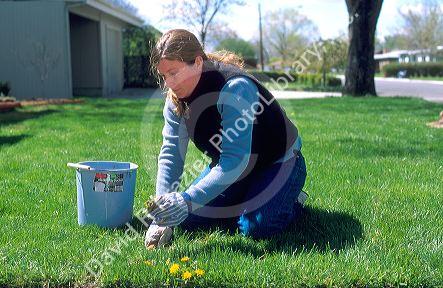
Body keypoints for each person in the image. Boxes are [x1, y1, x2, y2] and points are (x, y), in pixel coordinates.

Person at [144, 29, 307, 248]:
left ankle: (291, 199)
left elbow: (234, 160)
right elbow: (171, 154)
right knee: (186, 219)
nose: (169, 83)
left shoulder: (235, 88)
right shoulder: (175, 100)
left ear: (198, 62)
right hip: (233, 167)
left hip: (278, 162)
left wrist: (187, 200)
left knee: (256, 228)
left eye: (174, 73)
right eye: (164, 76)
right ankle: (248, 196)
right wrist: (162, 215)